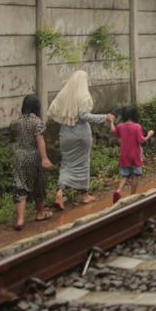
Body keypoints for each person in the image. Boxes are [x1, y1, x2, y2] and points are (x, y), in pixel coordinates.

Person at [48, 70, 114, 209]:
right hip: (82, 134)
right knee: (84, 162)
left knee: (66, 163)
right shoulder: (83, 95)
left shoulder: (64, 95)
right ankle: (85, 195)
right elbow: (84, 116)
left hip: (66, 134)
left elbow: (53, 110)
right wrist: (104, 117)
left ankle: (60, 193)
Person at [11, 94, 53, 230]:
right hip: (34, 156)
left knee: (20, 185)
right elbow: (40, 140)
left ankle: (20, 219)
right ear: (37, 107)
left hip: (19, 156)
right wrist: (45, 158)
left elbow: (13, 138)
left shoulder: (16, 122)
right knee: (38, 183)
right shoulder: (37, 122)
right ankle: (40, 213)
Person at [111, 106, 151, 202]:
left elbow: (113, 131)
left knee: (125, 175)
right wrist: (149, 134)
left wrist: (111, 121)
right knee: (136, 174)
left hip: (124, 155)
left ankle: (119, 190)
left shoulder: (120, 126)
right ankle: (132, 195)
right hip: (135, 155)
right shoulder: (137, 127)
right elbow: (141, 140)